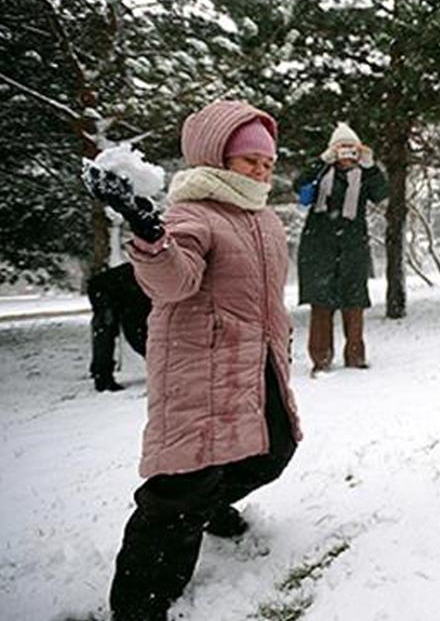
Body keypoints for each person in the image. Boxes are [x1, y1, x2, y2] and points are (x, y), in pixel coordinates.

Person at [84, 99, 303, 621]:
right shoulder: (192, 213)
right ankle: (141, 605)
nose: (261, 169)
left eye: (267, 162)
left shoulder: (264, 220)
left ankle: (208, 508)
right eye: (249, 159)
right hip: (199, 367)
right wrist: (149, 234)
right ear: (216, 157)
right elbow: (172, 281)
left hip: (257, 362)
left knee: (273, 449)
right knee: (180, 489)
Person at [293, 122, 388, 373]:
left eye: (351, 149)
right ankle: (320, 359)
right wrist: (320, 161)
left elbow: (382, 193)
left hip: (353, 247)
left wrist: (371, 166)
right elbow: (298, 186)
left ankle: (355, 357)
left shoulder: (365, 176)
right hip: (318, 246)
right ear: (333, 151)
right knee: (321, 304)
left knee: (354, 302)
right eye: (341, 149)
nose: (347, 156)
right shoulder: (321, 172)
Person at [87, 262, 151, 392]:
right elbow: (135, 333)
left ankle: (100, 372)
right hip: (105, 289)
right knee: (106, 330)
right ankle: (102, 378)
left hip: (114, 288)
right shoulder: (145, 291)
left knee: (106, 331)